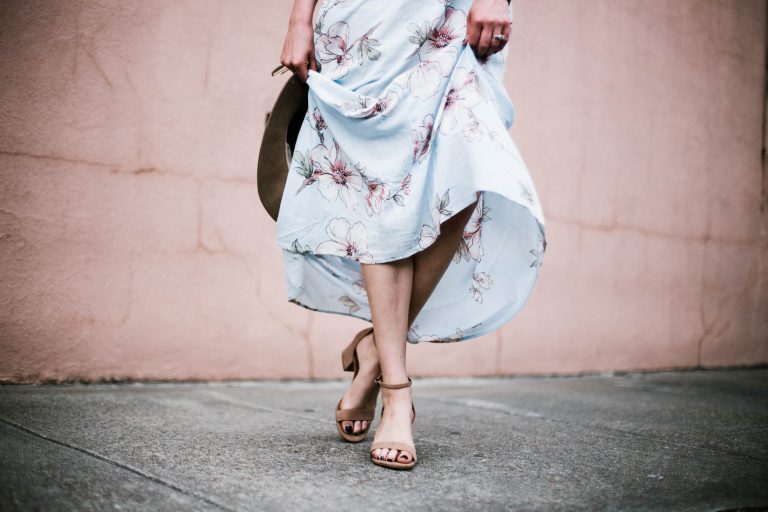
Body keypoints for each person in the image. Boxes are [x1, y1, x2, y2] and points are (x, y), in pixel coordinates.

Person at [275, 0, 547, 470]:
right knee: (382, 195)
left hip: (454, 18)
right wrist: (299, 19)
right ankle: (397, 395)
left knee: (469, 173)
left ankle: (372, 353)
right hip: (369, 19)